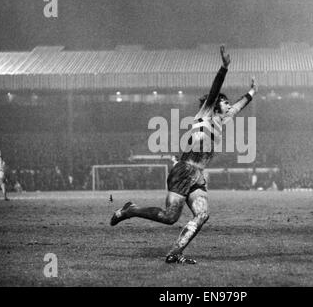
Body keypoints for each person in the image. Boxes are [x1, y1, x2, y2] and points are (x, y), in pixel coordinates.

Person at [110, 45, 258, 264]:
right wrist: (224, 68)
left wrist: (252, 92)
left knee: (202, 215)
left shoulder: (221, 121)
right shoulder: (205, 114)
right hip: (184, 169)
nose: (229, 105)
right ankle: (131, 210)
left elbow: (238, 107)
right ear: (216, 104)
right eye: (225, 102)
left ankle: (175, 253)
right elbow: (215, 90)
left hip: (198, 175)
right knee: (170, 217)